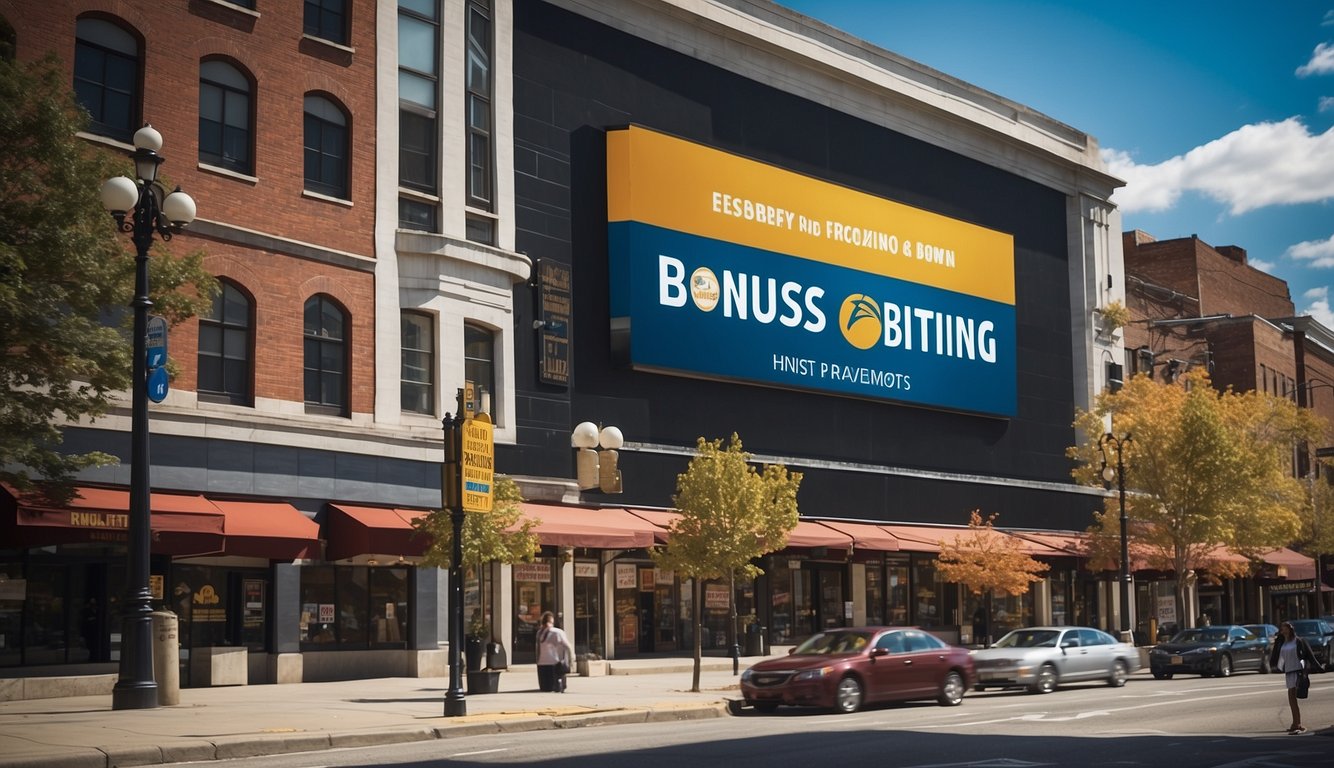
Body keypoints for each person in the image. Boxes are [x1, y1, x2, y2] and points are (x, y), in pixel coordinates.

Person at [1270, 620, 1323, 734]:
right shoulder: (1282, 642)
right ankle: (1296, 723)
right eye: (1281, 628)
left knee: (1293, 697)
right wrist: (1275, 666)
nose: (1282, 630)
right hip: (1288, 672)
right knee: (1292, 699)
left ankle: (1297, 724)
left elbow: (1309, 655)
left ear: (1290, 629)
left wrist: (1318, 668)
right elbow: (1278, 656)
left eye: (1284, 628)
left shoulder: (1298, 641)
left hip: (1297, 671)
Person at [536, 611, 574, 693]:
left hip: (541, 663)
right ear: (552, 621)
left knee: (545, 687)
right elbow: (568, 646)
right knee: (555, 685)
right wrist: (571, 660)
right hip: (555, 663)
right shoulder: (558, 632)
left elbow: (538, 649)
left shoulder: (539, 633)